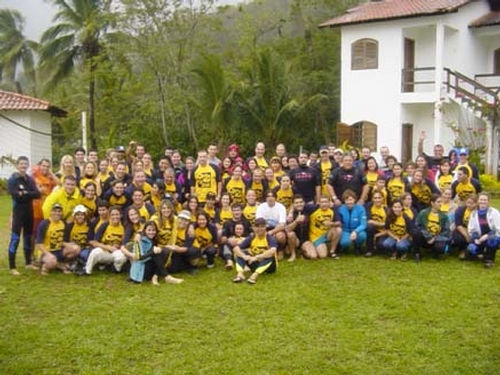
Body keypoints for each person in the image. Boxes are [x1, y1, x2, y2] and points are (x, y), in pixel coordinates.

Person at [7, 156, 41, 274]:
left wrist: (25, 193)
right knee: (15, 238)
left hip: (29, 212)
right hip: (18, 213)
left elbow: (37, 194)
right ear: (17, 165)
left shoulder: (29, 179)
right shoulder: (13, 179)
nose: (23, 166)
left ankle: (28, 263)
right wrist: (28, 193)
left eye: (25, 164)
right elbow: (16, 195)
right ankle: (12, 267)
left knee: (27, 237)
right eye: (21, 164)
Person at [36, 203, 80, 275]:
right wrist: (47, 254)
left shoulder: (63, 223)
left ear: (62, 213)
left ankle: (60, 263)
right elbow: (39, 243)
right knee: (51, 260)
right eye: (55, 211)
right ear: (50, 212)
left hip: (59, 250)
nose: (57, 213)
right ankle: (46, 266)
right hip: (46, 251)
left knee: (76, 248)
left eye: (59, 211)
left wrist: (69, 245)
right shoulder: (45, 224)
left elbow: (63, 241)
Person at [232, 217, 277, 284]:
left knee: (269, 255)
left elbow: (272, 251)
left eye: (262, 227)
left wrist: (256, 257)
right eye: (257, 227)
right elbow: (235, 248)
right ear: (254, 228)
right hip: (255, 263)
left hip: (269, 267)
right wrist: (244, 256)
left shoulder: (270, 238)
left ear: (265, 227)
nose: (259, 229)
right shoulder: (252, 237)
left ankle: (255, 275)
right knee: (241, 253)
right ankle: (240, 274)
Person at [84, 206, 127, 275]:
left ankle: (116, 269)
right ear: (109, 216)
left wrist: (118, 246)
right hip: (105, 250)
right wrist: (107, 247)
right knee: (95, 252)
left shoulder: (124, 226)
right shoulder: (105, 225)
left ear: (121, 215)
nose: (115, 217)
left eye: (117, 214)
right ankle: (87, 271)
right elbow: (95, 242)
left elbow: (125, 242)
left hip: (117, 251)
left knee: (121, 257)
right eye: (112, 215)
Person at [300, 195, 341, 259]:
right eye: (322, 202)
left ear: (329, 203)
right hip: (316, 237)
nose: (324, 204)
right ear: (318, 203)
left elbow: (339, 223)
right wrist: (291, 213)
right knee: (321, 256)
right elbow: (299, 205)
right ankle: (306, 248)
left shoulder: (332, 210)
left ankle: (332, 251)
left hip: (327, 234)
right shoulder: (313, 209)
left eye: (326, 202)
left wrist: (331, 223)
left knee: (338, 230)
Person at [467, 193, 500, 268]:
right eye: (481, 199)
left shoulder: (494, 212)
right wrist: (475, 238)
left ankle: (489, 260)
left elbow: (498, 228)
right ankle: (482, 254)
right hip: (479, 237)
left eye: (485, 200)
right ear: (478, 201)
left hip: (493, 236)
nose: (483, 202)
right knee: (471, 249)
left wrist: (487, 235)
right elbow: (471, 229)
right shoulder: (474, 213)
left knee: (492, 240)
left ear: (488, 201)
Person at [414, 194, 451, 260]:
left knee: (441, 248)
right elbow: (417, 226)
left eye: (441, 202)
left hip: (436, 238)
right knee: (416, 233)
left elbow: (446, 231)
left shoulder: (444, 216)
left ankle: (435, 252)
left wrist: (434, 238)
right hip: (425, 238)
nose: (440, 204)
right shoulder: (423, 213)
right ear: (432, 203)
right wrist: (428, 237)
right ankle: (417, 253)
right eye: (438, 202)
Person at [335, 189, 367, 257]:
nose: (349, 202)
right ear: (344, 201)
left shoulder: (361, 209)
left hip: (357, 230)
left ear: (354, 200)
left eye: (351, 199)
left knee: (362, 236)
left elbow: (363, 224)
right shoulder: (340, 209)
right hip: (345, 231)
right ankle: (344, 247)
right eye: (347, 200)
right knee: (345, 243)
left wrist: (355, 231)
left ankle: (357, 247)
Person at [255, 190, 287, 258]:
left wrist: (272, 232)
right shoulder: (261, 207)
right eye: (268, 196)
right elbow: (259, 223)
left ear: (275, 198)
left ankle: (280, 250)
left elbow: (282, 225)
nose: (270, 198)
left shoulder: (281, 207)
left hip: (277, 228)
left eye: (272, 196)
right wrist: (264, 232)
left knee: (280, 236)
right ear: (265, 198)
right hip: (264, 228)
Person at [220, 204, 252, 269]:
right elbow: (223, 238)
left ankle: (244, 264)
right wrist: (229, 240)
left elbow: (251, 235)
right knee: (226, 244)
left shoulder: (246, 222)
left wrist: (244, 240)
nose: (236, 212)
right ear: (231, 212)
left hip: (243, 245)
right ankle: (229, 262)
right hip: (231, 245)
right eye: (234, 211)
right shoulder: (227, 223)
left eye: (238, 210)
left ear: (241, 211)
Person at [452, 194, 477, 260]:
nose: (469, 205)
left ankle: (478, 251)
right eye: (468, 202)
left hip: (475, 230)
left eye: (472, 203)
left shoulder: (478, 211)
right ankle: (462, 250)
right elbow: (458, 224)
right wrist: (466, 235)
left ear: (476, 203)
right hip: (462, 228)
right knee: (459, 238)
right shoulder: (460, 210)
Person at [365, 191, 387, 257]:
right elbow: (368, 221)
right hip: (372, 230)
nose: (377, 200)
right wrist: (381, 224)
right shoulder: (368, 206)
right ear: (372, 199)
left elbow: (388, 226)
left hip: (382, 232)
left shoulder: (386, 209)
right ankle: (369, 250)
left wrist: (377, 235)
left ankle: (378, 247)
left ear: (382, 198)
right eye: (375, 198)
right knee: (370, 227)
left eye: (379, 198)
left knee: (381, 245)